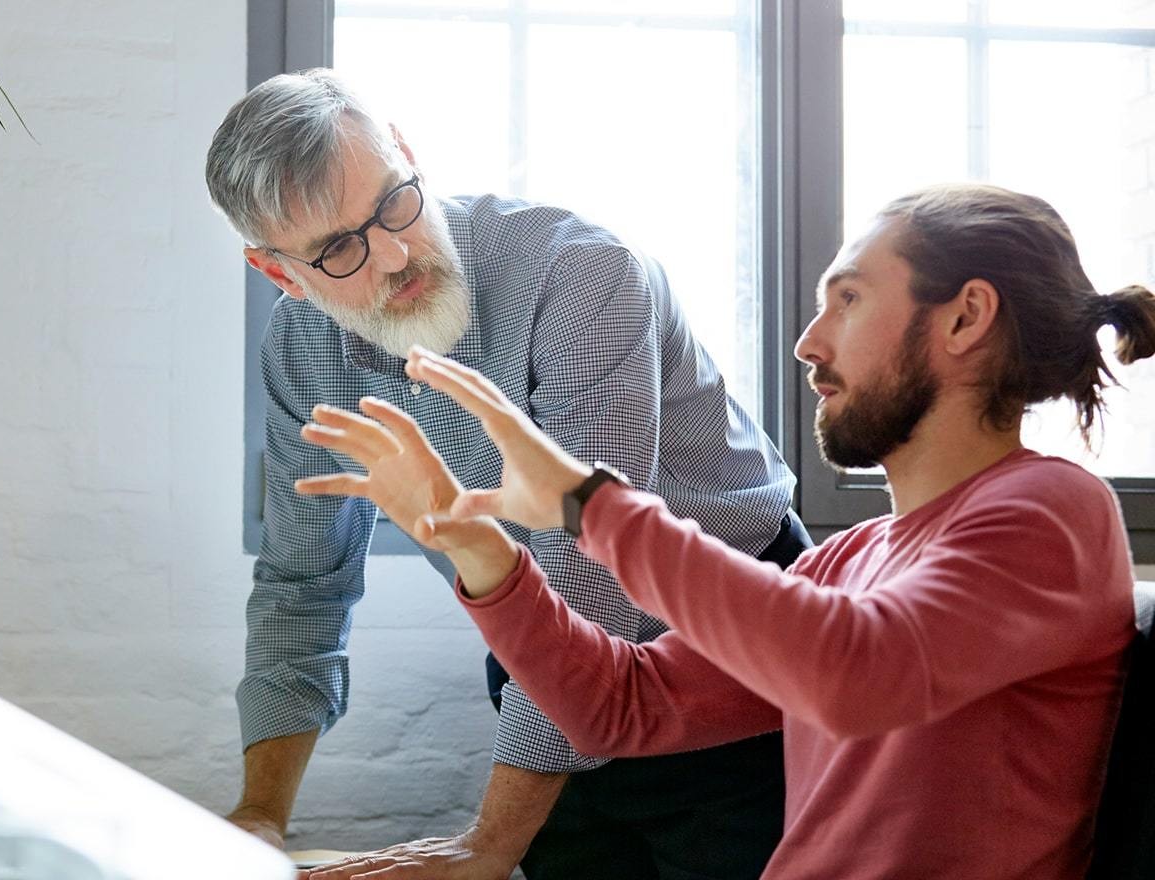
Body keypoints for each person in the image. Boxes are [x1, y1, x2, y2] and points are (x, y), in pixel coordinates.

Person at [297, 183, 1155, 879]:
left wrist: (586, 501)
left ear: (965, 318)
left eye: (847, 299)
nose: (808, 343)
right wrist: (477, 550)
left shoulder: (1051, 511)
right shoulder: (855, 557)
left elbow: (858, 672)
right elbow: (620, 709)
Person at [205, 69, 811, 879]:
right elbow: (302, 583)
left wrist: (488, 845)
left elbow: (588, 571)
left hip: (732, 641)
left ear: (409, 155)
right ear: (280, 273)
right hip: (541, 648)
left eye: (393, 202)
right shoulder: (300, 347)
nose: (393, 254)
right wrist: (258, 818)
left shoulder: (579, 271)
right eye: (339, 248)